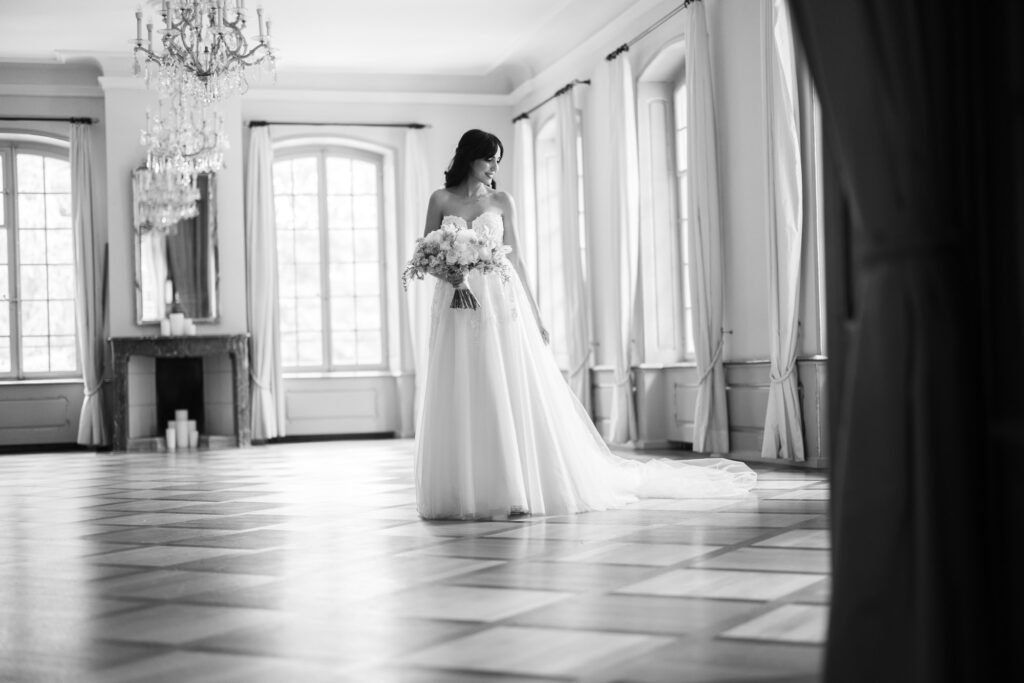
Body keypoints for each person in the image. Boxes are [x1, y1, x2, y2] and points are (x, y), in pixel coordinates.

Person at [414, 129, 756, 520]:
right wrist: (453, 277)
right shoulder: (441, 199)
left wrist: (537, 316)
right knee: (464, 384)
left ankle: (516, 487)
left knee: (506, 383)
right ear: (469, 157)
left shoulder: (502, 200)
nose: (494, 166)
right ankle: (465, 488)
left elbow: (519, 259)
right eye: (489, 158)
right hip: (457, 304)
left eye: (498, 160)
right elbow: (425, 254)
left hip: (501, 302)